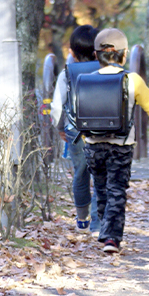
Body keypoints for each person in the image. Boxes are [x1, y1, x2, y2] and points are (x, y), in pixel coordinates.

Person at [80, 28, 149, 253]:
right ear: (124, 55)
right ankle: (112, 237)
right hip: (121, 145)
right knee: (116, 190)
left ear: (96, 55)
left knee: (102, 189)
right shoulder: (132, 79)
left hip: (93, 144)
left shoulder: (85, 80)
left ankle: (105, 230)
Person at [50, 24, 100, 235]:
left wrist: (60, 127)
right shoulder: (106, 71)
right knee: (101, 175)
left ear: (71, 51)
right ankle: (99, 222)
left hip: (76, 130)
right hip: (103, 129)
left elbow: (57, 105)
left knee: (80, 173)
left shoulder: (67, 73)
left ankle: (82, 218)